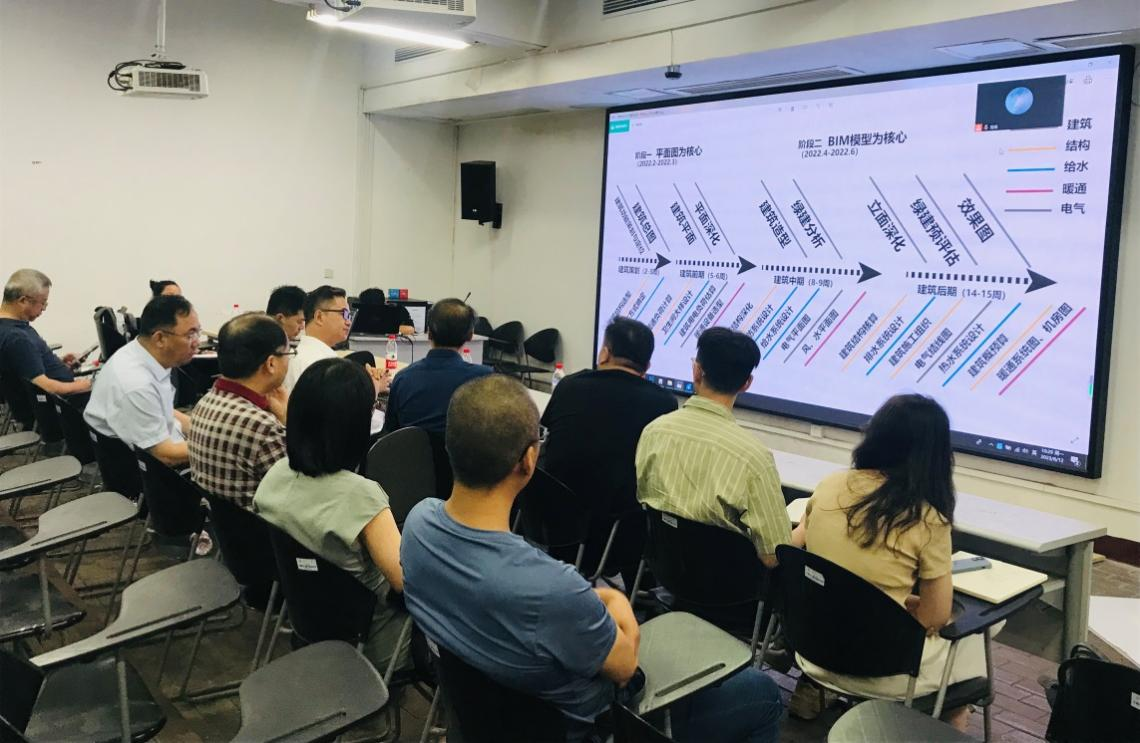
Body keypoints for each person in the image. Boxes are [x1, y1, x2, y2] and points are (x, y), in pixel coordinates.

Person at [401, 375, 783, 742]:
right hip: (593, 728)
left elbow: (528, 601)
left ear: (450, 445)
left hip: (478, 722)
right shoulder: (551, 589)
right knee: (762, 694)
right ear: (529, 460)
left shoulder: (419, 525)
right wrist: (615, 599)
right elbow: (625, 666)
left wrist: (586, 600)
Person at [791, 394, 981, 730]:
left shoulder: (831, 484)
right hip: (883, 670)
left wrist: (886, 601)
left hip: (811, 650)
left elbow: (794, 548)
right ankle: (952, 721)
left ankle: (814, 693)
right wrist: (894, 607)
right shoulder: (927, 518)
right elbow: (934, 617)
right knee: (976, 634)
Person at [254, 358, 411, 674]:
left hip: (307, 622)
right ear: (356, 426)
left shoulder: (275, 476)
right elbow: (407, 583)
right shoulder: (362, 498)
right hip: (370, 642)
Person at [636, 326, 790, 567]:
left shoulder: (653, 432)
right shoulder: (754, 459)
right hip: (729, 584)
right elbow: (773, 556)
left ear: (696, 371)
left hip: (664, 570)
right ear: (746, 383)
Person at [539, 316, 676, 581]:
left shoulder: (569, 386)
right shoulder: (663, 403)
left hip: (551, 523)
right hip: (615, 537)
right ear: (647, 366)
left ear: (604, 353)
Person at [84, 295, 201, 466]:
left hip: (162, 446)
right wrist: (218, 447)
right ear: (160, 338)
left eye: (198, 332)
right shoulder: (136, 384)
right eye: (190, 334)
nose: (197, 342)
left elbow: (163, 410)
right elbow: (165, 456)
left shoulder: (141, 353)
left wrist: (204, 430)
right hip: (150, 471)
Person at [188, 313, 290, 510]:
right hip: (261, 527)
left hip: (222, 525)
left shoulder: (206, 402)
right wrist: (288, 420)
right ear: (271, 363)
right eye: (288, 354)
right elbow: (300, 495)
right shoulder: (264, 428)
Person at [381, 298, 490, 435]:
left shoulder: (403, 379)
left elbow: (391, 432)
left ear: (429, 333)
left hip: (412, 449)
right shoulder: (486, 380)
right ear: (470, 335)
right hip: (463, 449)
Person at [0, 269, 91, 397]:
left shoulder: (10, 328)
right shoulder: (16, 337)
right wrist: (85, 384)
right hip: (64, 404)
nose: (43, 308)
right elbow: (44, 387)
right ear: (23, 301)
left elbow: (25, 365)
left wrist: (57, 363)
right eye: (42, 303)